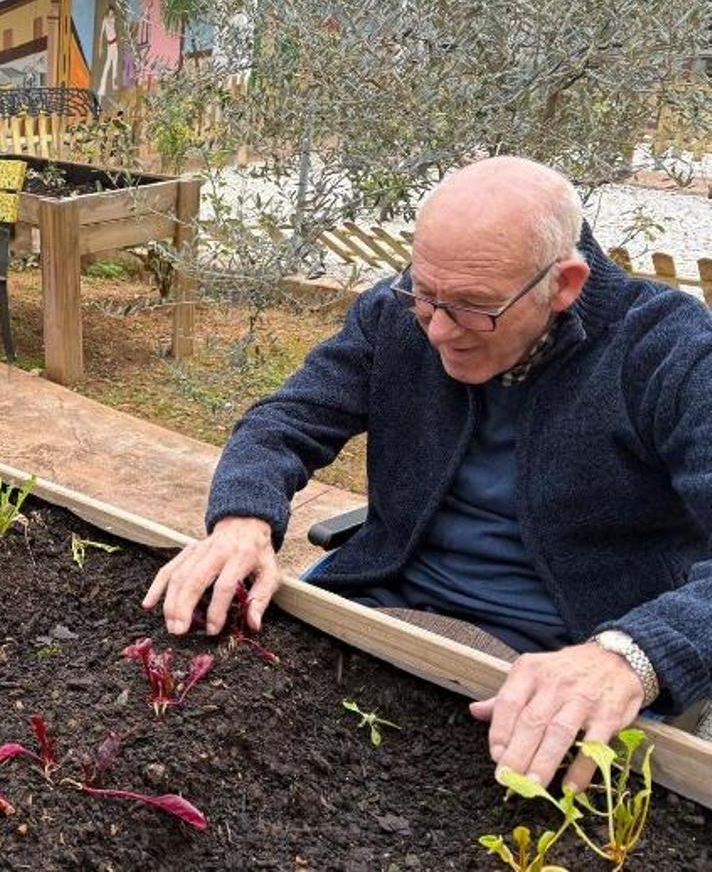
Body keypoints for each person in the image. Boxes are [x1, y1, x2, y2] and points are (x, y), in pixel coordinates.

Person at [143, 156, 712, 792]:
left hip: (559, 659)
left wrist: (633, 655)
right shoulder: (397, 312)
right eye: (425, 295)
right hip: (379, 604)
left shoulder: (669, 350)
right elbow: (285, 420)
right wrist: (242, 518)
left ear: (565, 284)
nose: (439, 330)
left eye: (474, 309)